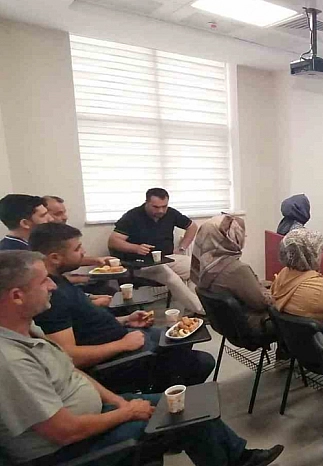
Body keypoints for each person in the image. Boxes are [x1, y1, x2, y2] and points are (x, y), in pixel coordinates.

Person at [0, 250, 285, 466]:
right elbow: (64, 432)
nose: (52, 285)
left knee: (191, 405)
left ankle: (237, 458)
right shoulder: (10, 362)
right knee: (184, 407)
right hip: (67, 450)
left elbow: (72, 372)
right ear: (16, 296)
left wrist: (118, 401)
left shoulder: (28, 328)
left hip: (95, 412)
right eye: (43, 281)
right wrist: (125, 412)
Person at [29, 223, 215, 389]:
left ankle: (171, 379)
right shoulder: (52, 296)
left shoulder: (59, 281)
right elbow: (68, 356)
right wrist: (122, 345)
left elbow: (83, 324)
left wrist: (125, 319)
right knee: (203, 361)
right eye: (78, 248)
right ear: (54, 258)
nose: (84, 252)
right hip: (119, 358)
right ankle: (162, 398)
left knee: (185, 341)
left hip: (124, 333)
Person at [107, 188, 203, 315]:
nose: (161, 211)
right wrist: (136, 248)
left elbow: (192, 226)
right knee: (171, 277)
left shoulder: (170, 213)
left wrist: (182, 248)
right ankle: (201, 310)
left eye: (164, 206)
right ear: (146, 202)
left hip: (167, 258)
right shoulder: (132, 216)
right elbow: (113, 241)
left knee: (198, 269)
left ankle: (192, 309)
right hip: (142, 264)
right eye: (156, 207)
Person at [191, 214, 276, 340]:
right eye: (241, 233)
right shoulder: (237, 269)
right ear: (231, 237)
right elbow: (261, 303)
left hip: (226, 326)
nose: (244, 236)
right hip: (252, 326)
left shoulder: (205, 266)